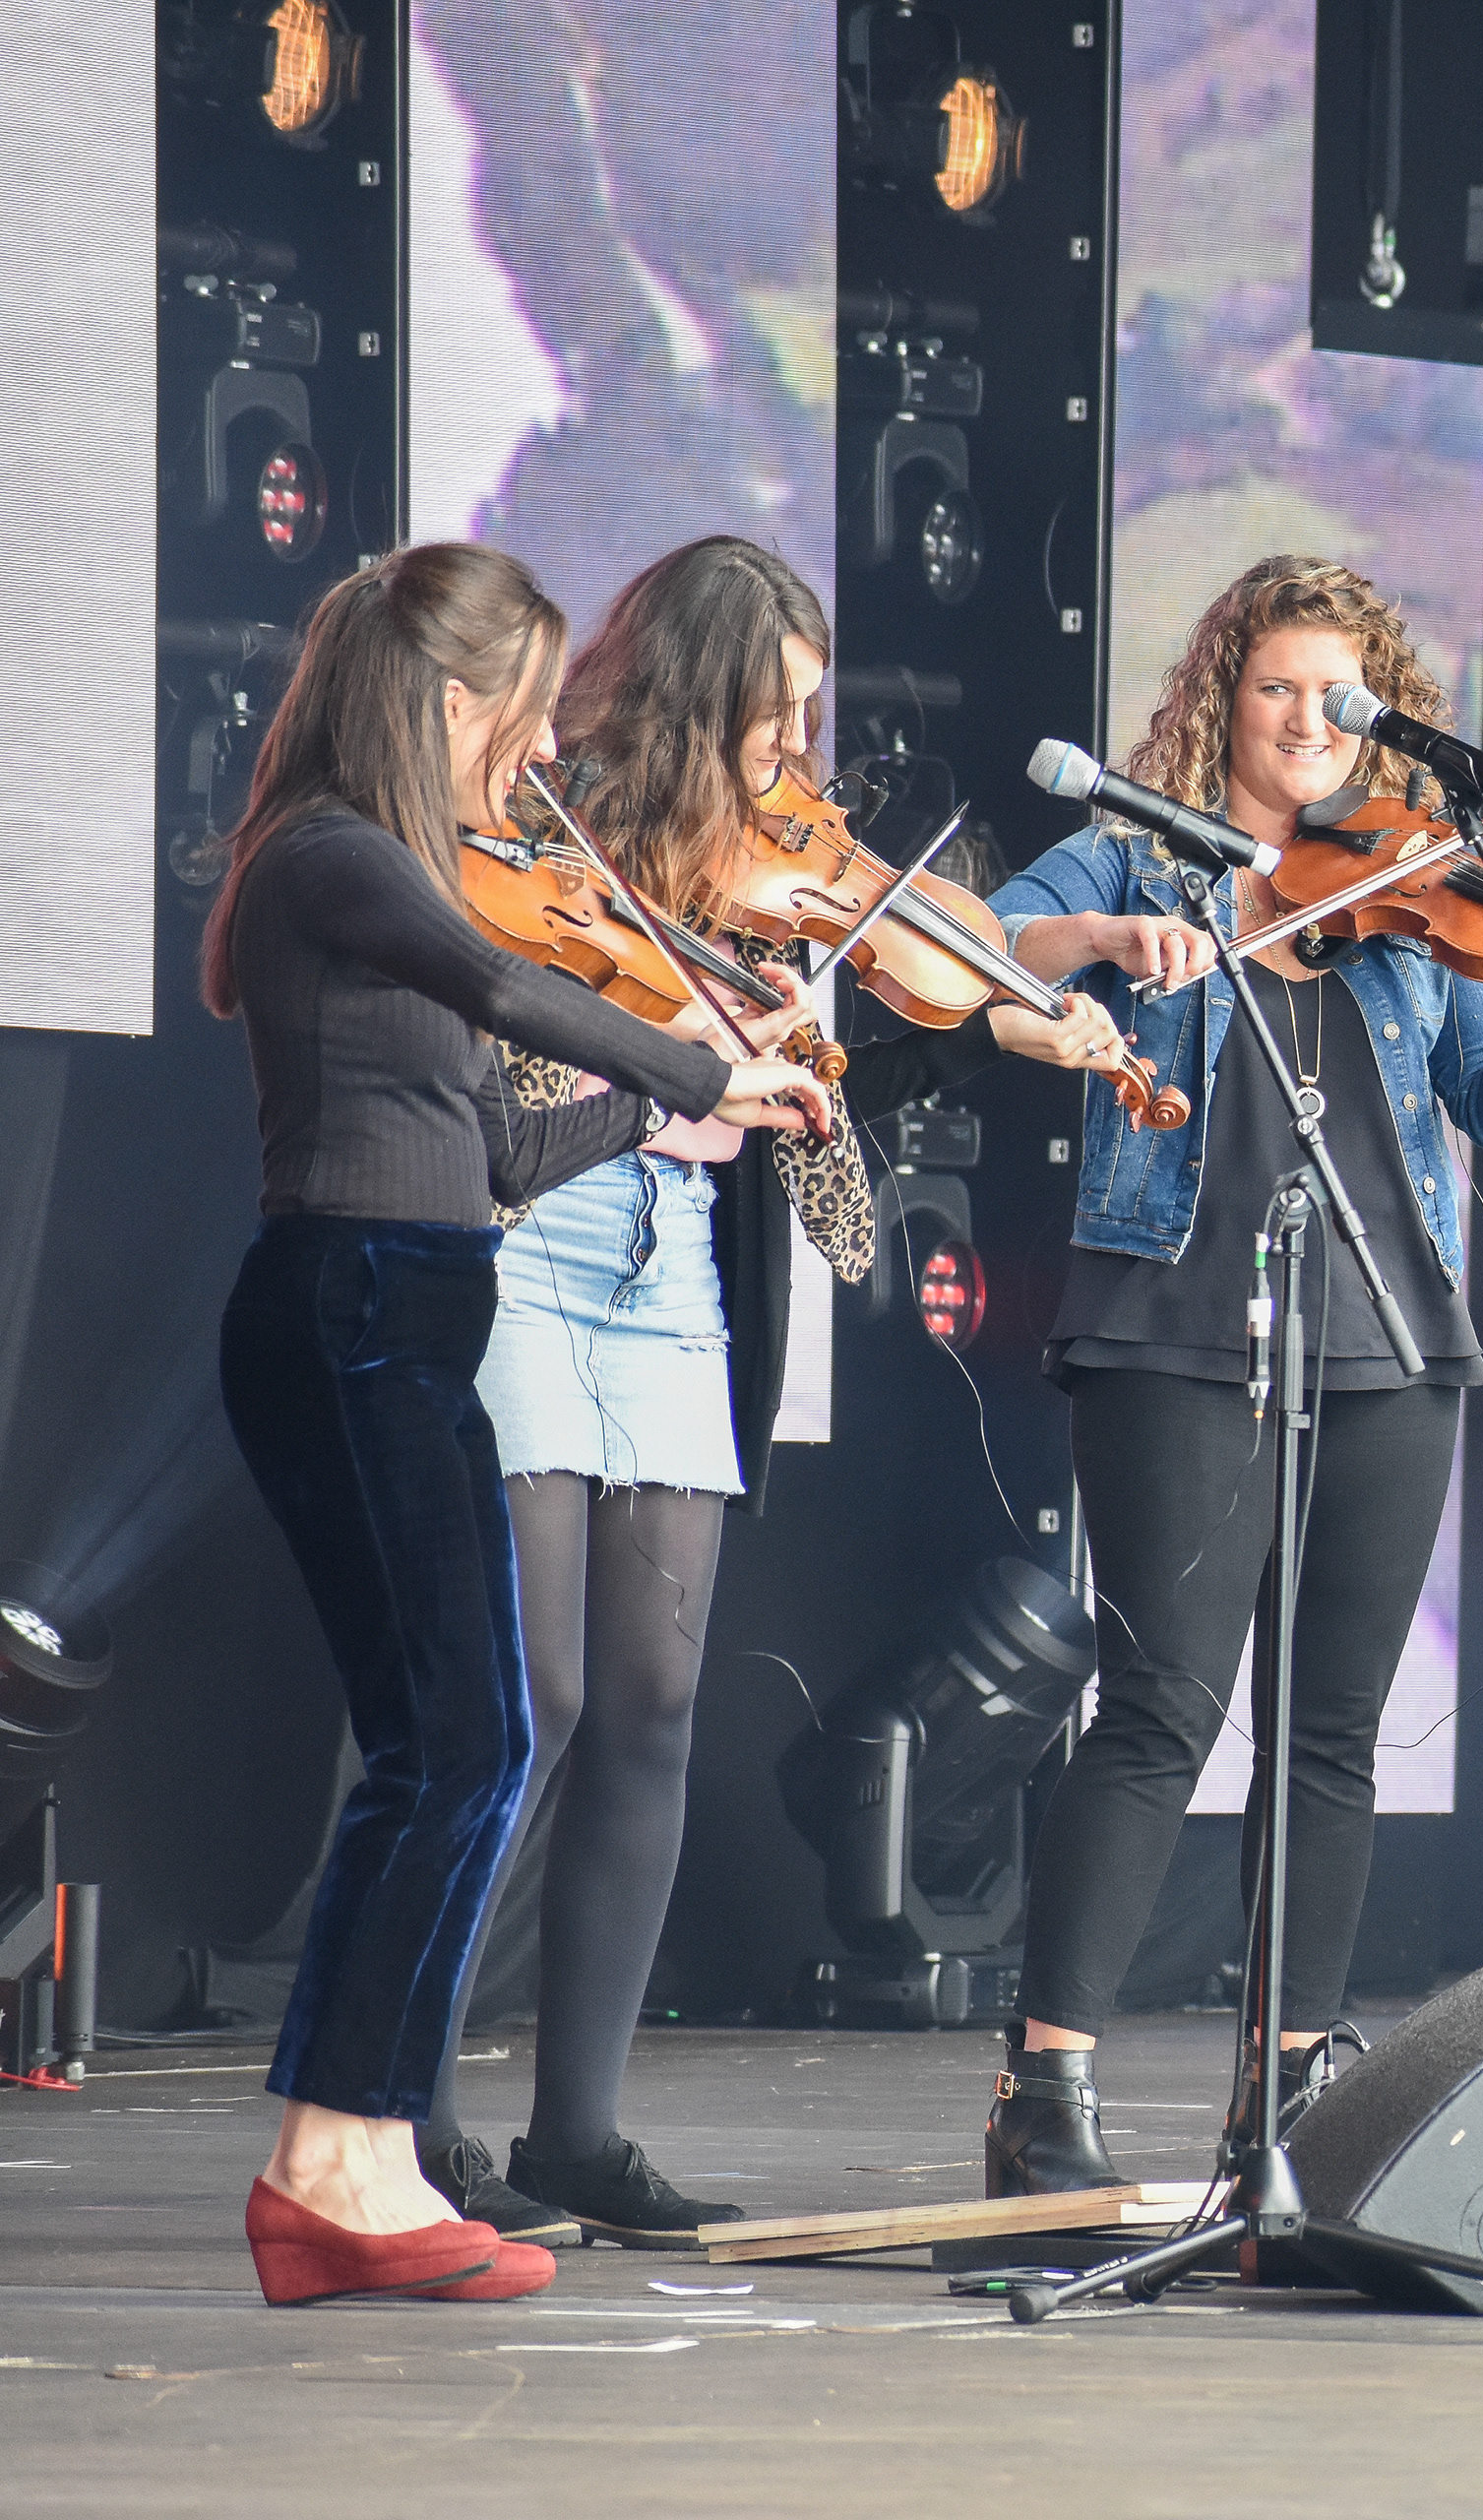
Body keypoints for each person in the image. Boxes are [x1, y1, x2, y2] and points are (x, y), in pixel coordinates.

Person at [411, 537, 1130, 2249]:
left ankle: (579, 2130)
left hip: (668, 1265)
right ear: (692, 695)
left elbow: (907, 951)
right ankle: (408, 2108)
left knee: (656, 1705)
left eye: (810, 718)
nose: (797, 762)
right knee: (542, 1697)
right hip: (532, 1236)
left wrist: (1046, 993)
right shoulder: (535, 816)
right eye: (773, 718)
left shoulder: (771, 856)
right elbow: (504, 1027)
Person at [975, 553, 1483, 2192]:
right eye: (1276, 687)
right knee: (1160, 1703)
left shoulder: (1424, 884)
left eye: (1338, 697)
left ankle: (1287, 2094)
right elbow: (979, 956)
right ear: (1225, 698)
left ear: (1384, 720)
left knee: (1334, 1729)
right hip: (1174, 1321)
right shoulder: (1143, 849)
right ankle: (1045, 2092)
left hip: (1393, 1332)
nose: (1305, 720)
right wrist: (1108, 936)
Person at [199, 542, 831, 2303]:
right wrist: (697, 1054)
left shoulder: (382, 869)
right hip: (352, 1309)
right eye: (526, 716)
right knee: (466, 1740)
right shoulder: (336, 855)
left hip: (402, 1296)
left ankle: (352, 2159)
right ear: (451, 702)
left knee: (451, 1741)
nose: (539, 751)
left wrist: (675, 1124)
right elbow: (498, 985)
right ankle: (341, 2160)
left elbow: (498, 1146)